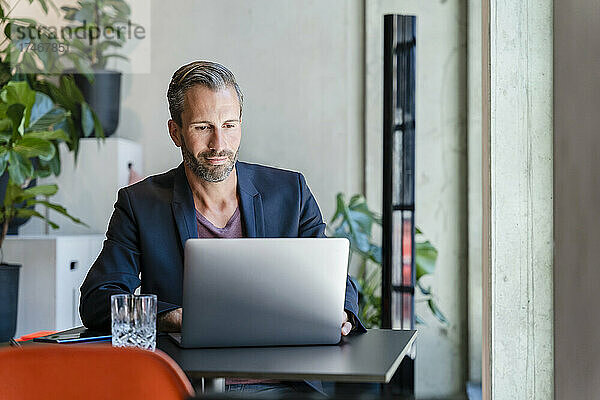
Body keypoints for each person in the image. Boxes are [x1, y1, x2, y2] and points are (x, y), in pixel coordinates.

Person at [79, 60, 366, 395]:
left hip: (287, 384)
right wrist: (167, 316)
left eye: (229, 125)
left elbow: (337, 282)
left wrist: (341, 311)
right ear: (176, 132)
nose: (219, 144)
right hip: (188, 387)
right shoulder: (139, 204)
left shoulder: (291, 193)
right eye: (203, 127)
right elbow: (98, 301)